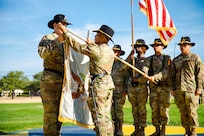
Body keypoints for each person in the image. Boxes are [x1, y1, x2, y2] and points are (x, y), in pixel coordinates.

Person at [57, 24, 115, 136]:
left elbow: (77, 46)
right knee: (106, 116)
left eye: (97, 35)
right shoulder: (109, 51)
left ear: (103, 37)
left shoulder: (95, 50)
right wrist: (92, 45)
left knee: (99, 117)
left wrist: (65, 32)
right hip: (108, 84)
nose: (95, 37)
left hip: (99, 86)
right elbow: (96, 50)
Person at [38, 14, 72, 136]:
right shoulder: (48, 38)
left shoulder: (68, 39)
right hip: (50, 80)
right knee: (50, 112)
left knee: (60, 112)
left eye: (66, 25)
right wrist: (58, 40)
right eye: (63, 24)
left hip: (64, 80)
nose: (65, 27)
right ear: (55, 25)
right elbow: (42, 53)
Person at [170, 36, 203, 136]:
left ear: (190, 46)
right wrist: (172, 87)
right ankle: (186, 130)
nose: (182, 47)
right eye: (181, 45)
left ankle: (193, 132)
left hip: (191, 90)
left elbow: (200, 74)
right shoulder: (176, 60)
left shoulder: (195, 58)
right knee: (183, 112)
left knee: (192, 111)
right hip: (179, 90)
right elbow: (172, 74)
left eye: (185, 45)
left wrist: (199, 88)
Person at [120, 39, 149, 136]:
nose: (138, 48)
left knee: (141, 109)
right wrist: (129, 56)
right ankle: (136, 128)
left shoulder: (146, 60)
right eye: (136, 46)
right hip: (131, 88)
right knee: (134, 109)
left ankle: (142, 129)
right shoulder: (132, 60)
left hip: (141, 88)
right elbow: (123, 68)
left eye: (140, 46)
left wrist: (138, 80)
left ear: (144, 48)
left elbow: (146, 75)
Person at [143, 38, 171, 136]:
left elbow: (165, 72)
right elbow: (145, 67)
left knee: (164, 109)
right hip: (153, 89)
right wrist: (145, 73)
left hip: (164, 88)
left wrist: (154, 77)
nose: (156, 47)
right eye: (154, 45)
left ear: (162, 46)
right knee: (154, 109)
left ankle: (163, 130)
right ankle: (157, 130)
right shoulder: (149, 59)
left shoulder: (167, 58)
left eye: (158, 45)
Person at [111, 44, 126, 136]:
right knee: (112, 110)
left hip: (120, 90)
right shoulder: (108, 62)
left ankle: (120, 129)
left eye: (117, 51)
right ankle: (114, 128)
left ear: (120, 53)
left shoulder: (123, 63)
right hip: (110, 90)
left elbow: (127, 77)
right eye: (113, 51)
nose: (115, 53)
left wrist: (126, 90)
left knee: (119, 110)